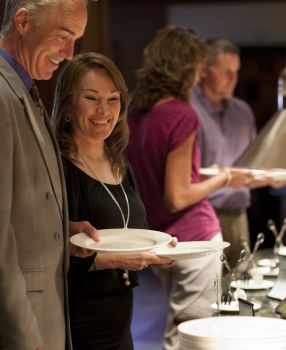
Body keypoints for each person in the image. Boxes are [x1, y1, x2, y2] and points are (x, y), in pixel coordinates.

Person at [126, 26, 253, 350]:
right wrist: (223, 177)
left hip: (162, 236)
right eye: (197, 67)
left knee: (178, 329)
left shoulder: (137, 113)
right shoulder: (181, 114)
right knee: (193, 335)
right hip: (195, 238)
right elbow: (178, 196)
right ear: (185, 68)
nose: (199, 75)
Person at [52, 51, 174, 350]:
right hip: (78, 322)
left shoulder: (119, 163)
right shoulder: (56, 167)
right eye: (91, 98)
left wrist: (160, 248)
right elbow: (48, 254)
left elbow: (136, 231)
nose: (103, 109)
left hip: (121, 319)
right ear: (68, 105)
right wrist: (119, 260)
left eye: (113, 98)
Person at [0, 1, 99, 350]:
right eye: (63, 36)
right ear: (23, 21)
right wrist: (25, 338)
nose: (70, 53)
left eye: (76, 39)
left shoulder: (22, 87)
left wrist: (59, 231)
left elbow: (17, 212)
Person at [190, 38, 280, 269]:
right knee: (209, 290)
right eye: (227, 72)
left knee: (241, 284)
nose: (234, 79)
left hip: (240, 213)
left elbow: (250, 165)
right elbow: (184, 177)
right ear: (204, 72)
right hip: (201, 213)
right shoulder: (188, 110)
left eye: (237, 72)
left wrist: (272, 174)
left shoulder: (242, 112)